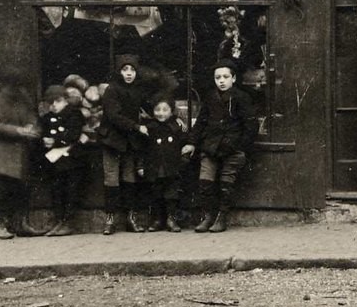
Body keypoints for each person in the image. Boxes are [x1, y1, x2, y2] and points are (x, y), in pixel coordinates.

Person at [190, 62, 257, 233]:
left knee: (226, 184)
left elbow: (251, 126)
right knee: (205, 182)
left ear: (233, 78)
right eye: (217, 77)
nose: (221, 81)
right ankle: (207, 216)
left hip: (233, 148)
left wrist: (241, 148)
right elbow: (200, 123)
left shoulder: (241, 98)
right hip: (210, 146)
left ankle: (222, 217)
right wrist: (192, 142)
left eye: (226, 77)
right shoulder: (210, 98)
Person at [95, 54, 149, 234]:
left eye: (132, 70)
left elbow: (144, 108)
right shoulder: (112, 89)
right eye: (125, 70)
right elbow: (113, 115)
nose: (129, 73)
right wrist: (136, 126)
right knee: (111, 180)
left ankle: (130, 218)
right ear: (119, 71)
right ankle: (109, 220)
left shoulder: (138, 90)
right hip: (112, 140)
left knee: (129, 179)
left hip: (130, 141)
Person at [0, 81, 39, 240]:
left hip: (21, 149)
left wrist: (30, 125)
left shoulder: (22, 95)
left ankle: (21, 224)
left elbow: (30, 114)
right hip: (1, 149)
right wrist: (17, 130)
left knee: (22, 188)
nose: (13, 89)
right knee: (3, 188)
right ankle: (0, 225)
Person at [37, 84, 86, 235]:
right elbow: (41, 133)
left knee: (71, 192)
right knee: (57, 191)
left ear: (65, 100)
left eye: (57, 102)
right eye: (50, 103)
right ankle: (59, 220)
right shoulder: (47, 118)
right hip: (55, 161)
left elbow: (73, 135)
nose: (53, 106)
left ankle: (68, 222)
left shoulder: (74, 114)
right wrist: (44, 141)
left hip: (72, 160)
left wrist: (55, 141)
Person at [141, 96, 194, 231]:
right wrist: (140, 166)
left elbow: (186, 140)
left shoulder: (177, 125)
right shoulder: (149, 127)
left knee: (172, 193)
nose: (161, 113)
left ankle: (171, 219)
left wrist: (187, 150)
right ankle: (158, 219)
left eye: (165, 110)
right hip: (154, 166)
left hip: (172, 166)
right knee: (156, 192)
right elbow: (142, 149)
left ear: (171, 111)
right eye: (157, 109)